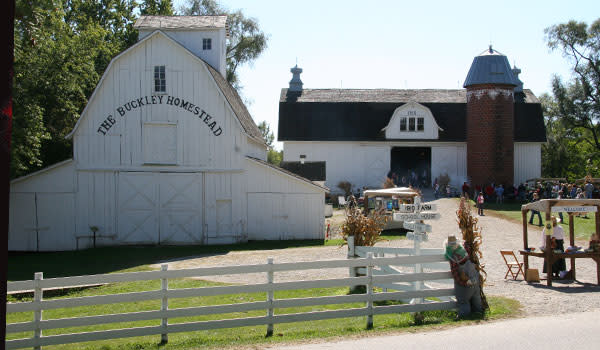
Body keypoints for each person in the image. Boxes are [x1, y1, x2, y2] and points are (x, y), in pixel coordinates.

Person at [444, 235, 483, 318]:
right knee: (476, 298)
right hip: (474, 279)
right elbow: (468, 247)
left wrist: (463, 282)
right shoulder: (464, 251)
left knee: (463, 301)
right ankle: (479, 312)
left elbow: (455, 273)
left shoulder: (452, 257)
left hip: (464, 284)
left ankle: (464, 315)